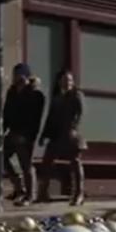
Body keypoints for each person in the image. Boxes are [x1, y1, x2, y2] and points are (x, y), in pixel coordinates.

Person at [37, 69, 87, 206]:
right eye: (65, 80)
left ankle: (79, 194)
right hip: (56, 135)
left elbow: (79, 113)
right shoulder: (56, 97)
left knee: (75, 162)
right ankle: (43, 192)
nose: (67, 83)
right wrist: (43, 135)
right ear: (59, 82)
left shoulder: (76, 95)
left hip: (70, 134)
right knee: (46, 162)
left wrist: (73, 128)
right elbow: (50, 118)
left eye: (70, 80)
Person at [2, 63, 46, 206]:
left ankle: (29, 195)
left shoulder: (36, 94)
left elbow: (35, 119)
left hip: (26, 135)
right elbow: (6, 112)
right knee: (0, 157)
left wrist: (29, 136)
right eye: (15, 74)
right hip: (12, 132)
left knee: (26, 164)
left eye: (20, 74)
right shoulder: (12, 92)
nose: (16, 77)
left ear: (26, 76)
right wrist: (3, 130)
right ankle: (18, 187)